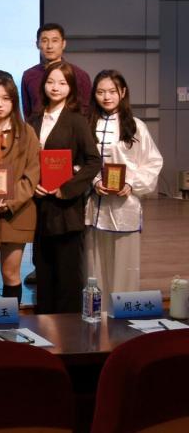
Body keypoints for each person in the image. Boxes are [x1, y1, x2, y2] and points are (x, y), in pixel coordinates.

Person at [86, 70, 163, 310]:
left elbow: (153, 162)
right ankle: (97, 313)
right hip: (95, 206)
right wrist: (94, 181)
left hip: (125, 206)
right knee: (95, 266)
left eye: (112, 91)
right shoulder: (88, 124)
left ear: (123, 92)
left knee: (126, 266)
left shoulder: (136, 126)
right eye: (100, 92)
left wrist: (132, 184)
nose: (106, 97)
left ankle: (123, 316)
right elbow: (80, 161)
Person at [29, 60, 101, 314]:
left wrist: (66, 188)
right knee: (43, 270)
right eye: (50, 82)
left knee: (68, 274)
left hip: (66, 208)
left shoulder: (76, 120)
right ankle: (43, 325)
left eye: (62, 83)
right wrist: (31, 186)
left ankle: (69, 329)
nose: (55, 87)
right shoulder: (34, 119)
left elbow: (94, 161)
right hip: (39, 205)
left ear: (71, 87)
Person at [0, 76, 39, 303]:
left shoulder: (27, 132)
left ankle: (9, 321)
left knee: (11, 273)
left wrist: (11, 200)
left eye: (5, 98)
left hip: (17, 213)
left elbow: (32, 175)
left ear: (14, 102)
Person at [21, 23, 92, 118]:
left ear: (63, 44)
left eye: (55, 41)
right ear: (37, 44)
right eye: (44, 41)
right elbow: (27, 112)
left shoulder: (79, 75)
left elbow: (86, 112)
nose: (49, 46)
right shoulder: (29, 75)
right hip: (37, 126)